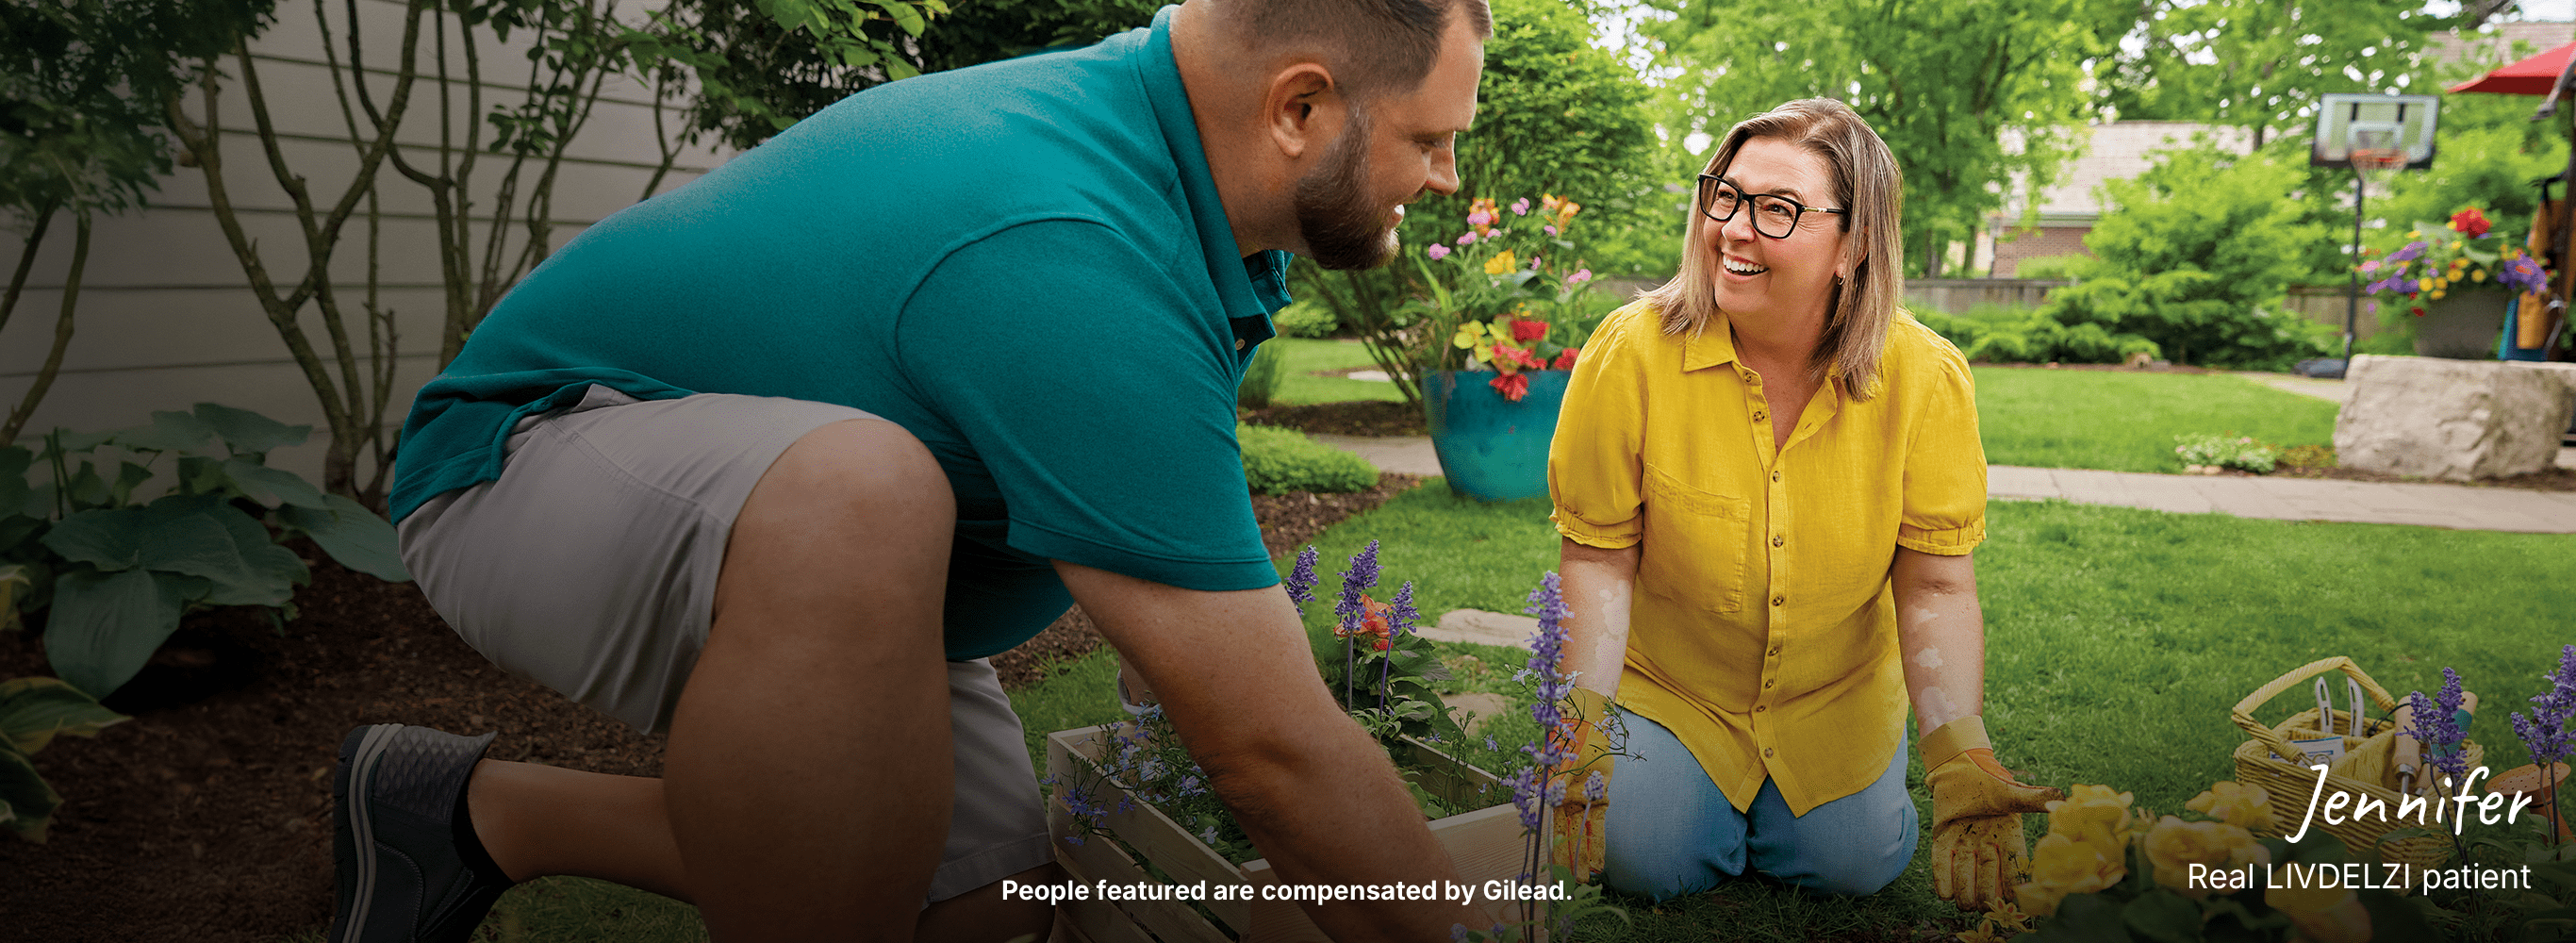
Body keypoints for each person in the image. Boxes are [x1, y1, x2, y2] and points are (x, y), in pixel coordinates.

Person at [327, 1, 1498, 940]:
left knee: (994, 900)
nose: (1445, 175)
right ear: (1299, 104)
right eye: (1429, 137)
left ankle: (471, 813)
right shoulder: (1069, 241)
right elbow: (1272, 750)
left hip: (807, 543)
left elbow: (1179, 601)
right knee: (864, 491)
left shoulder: (1147, 168)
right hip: (517, 465)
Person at [1542, 99, 2062, 910]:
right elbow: (1599, 561)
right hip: (1677, 687)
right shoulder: (1631, 352)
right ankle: (1694, 803)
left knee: (1850, 869)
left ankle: (1774, 814)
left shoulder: (1925, 379)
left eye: (1777, 209)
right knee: (1647, 865)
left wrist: (1961, 752)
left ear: (1854, 243)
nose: (1734, 229)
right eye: (1726, 194)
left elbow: (1935, 587)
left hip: (1835, 693)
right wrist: (1577, 723)